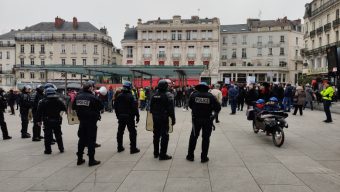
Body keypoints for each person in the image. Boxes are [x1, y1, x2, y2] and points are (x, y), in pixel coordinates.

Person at [186, 82, 221, 163]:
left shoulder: (194, 95)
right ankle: (204, 157)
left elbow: (190, 105)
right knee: (205, 138)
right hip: (207, 120)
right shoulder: (211, 96)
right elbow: (218, 108)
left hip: (196, 119)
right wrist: (213, 116)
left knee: (193, 137)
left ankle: (190, 156)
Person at [73, 80, 103, 166]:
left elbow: (74, 107)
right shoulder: (92, 97)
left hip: (82, 121)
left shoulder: (78, 96)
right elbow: (101, 106)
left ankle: (79, 159)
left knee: (82, 140)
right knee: (91, 140)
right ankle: (91, 160)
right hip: (91, 121)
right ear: (90, 88)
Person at [150, 80, 175, 160]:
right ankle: (162, 155)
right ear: (165, 87)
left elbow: (150, 108)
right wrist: (173, 119)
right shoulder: (168, 95)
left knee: (156, 135)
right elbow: (171, 109)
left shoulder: (154, 95)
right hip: (163, 119)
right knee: (164, 136)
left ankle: (156, 153)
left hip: (155, 118)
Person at [36, 87, 66, 154]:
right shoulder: (59, 100)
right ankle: (61, 148)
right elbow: (64, 108)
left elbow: (39, 112)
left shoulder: (42, 101)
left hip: (47, 121)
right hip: (57, 120)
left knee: (47, 136)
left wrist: (39, 121)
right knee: (58, 135)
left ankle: (48, 150)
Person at [114, 81, 140, 154]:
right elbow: (135, 107)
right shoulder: (131, 96)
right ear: (129, 87)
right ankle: (133, 148)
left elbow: (115, 107)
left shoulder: (118, 96)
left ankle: (119, 147)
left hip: (121, 117)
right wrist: (137, 116)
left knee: (120, 132)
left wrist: (118, 116)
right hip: (129, 117)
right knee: (132, 132)